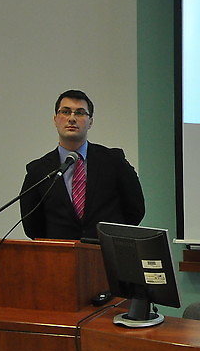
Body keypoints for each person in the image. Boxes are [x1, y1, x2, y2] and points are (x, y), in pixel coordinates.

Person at [20, 89, 145, 239]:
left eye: (80, 113)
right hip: (60, 251)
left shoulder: (113, 161)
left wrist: (114, 238)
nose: (72, 118)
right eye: (65, 112)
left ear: (90, 122)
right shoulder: (38, 171)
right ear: (55, 120)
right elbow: (32, 226)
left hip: (105, 250)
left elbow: (135, 210)